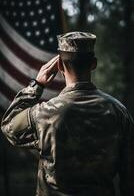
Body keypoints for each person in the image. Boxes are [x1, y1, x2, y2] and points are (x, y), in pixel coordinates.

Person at [1, 31, 134, 196]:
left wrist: (36, 85)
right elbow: (129, 179)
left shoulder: (44, 114)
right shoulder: (119, 113)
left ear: (59, 66)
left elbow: (9, 126)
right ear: (93, 64)